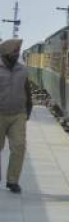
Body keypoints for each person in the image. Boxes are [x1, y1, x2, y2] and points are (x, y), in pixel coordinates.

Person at [0, 38, 31, 194]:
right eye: (14, 51)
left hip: (18, 114)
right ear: (5, 52)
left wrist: (28, 109)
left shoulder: (22, 70)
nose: (17, 53)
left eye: (18, 50)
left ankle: (12, 181)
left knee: (19, 147)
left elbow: (27, 90)